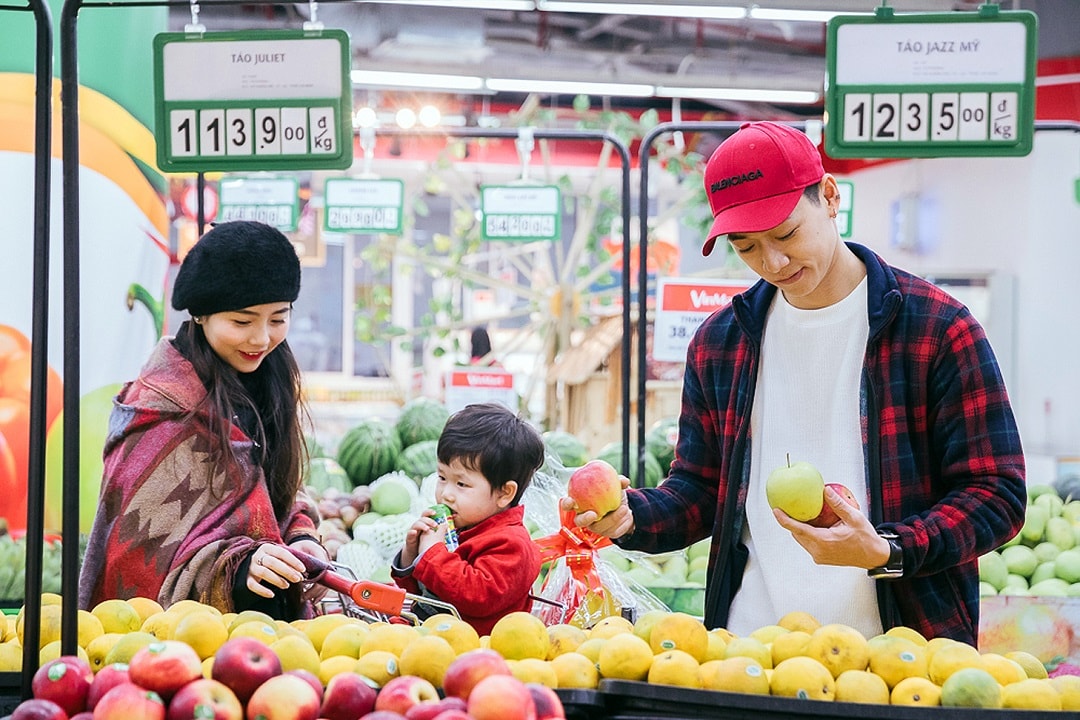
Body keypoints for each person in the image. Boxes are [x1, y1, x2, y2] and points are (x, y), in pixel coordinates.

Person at [563, 121, 1025, 644]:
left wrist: (889, 549)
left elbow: (998, 494)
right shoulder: (721, 344)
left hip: (901, 654)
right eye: (747, 247)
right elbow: (700, 489)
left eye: (786, 234)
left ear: (828, 196)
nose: (774, 262)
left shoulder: (937, 329)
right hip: (750, 650)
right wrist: (628, 517)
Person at [79, 221, 329, 620]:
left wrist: (301, 538)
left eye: (278, 319)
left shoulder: (268, 379)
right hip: (166, 647)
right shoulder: (161, 411)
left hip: (260, 639)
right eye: (242, 322)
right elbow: (139, 560)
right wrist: (237, 567)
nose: (262, 339)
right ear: (201, 316)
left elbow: (273, 498)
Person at [391, 402, 544, 635]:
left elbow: (475, 596)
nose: (446, 493)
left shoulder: (512, 546)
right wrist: (411, 556)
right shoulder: (462, 526)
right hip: (428, 636)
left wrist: (432, 554)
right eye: (442, 477)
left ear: (504, 493)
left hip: (474, 650)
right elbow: (426, 591)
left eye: (461, 484)